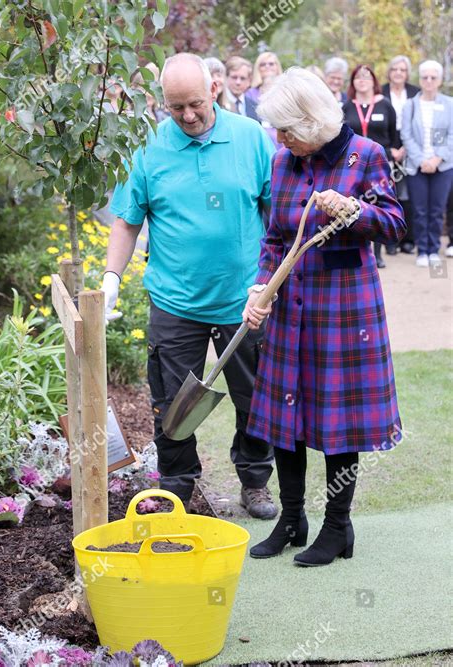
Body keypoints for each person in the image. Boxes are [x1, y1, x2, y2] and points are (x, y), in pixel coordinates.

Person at [102, 53, 277, 519]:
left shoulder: (251, 138)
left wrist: (268, 281)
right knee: (171, 401)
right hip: (175, 301)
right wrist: (111, 278)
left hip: (244, 300)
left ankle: (256, 482)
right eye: (176, 107)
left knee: (255, 395)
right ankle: (177, 488)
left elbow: (275, 214)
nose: (188, 116)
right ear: (164, 103)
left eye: (195, 103)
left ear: (215, 88)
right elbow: (126, 222)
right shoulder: (148, 146)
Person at [242, 67, 406, 566]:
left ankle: (338, 528)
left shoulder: (367, 155)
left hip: (343, 310)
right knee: (284, 417)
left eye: (287, 129)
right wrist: (261, 286)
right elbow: (275, 239)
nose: (279, 138)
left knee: (338, 421)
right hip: (290, 307)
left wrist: (354, 211)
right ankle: (292, 521)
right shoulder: (284, 162)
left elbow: (395, 225)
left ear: (311, 124)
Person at [343, 64, 397, 268]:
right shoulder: (347, 106)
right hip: (354, 164)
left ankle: (379, 253)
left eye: (366, 76)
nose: (362, 80)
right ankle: (361, 249)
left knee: (379, 204)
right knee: (357, 205)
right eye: (358, 77)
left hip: (379, 163)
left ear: (374, 80)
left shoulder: (385, 105)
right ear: (353, 82)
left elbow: (393, 135)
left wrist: (393, 152)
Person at [401, 60, 453, 267]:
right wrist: (422, 160)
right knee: (420, 209)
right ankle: (422, 250)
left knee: (437, 209)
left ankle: (433, 250)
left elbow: (451, 135)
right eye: (425, 77)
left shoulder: (449, 104)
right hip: (417, 165)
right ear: (420, 80)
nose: (429, 81)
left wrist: (436, 158)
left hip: (443, 165)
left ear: (440, 80)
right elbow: (405, 135)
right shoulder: (410, 105)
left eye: (433, 77)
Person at [382, 55, 420, 255]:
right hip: (387, 144)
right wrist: (391, 150)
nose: (398, 73)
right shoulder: (380, 92)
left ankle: (408, 239)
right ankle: (390, 240)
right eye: (395, 69)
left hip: (411, 144)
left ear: (407, 73)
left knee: (408, 194)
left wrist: (406, 147)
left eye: (402, 70)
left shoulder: (415, 92)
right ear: (389, 72)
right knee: (388, 192)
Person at [225, 56, 260, 121]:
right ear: (226, 78)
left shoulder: (254, 106)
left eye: (242, 78)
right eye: (234, 77)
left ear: (249, 81)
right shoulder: (218, 103)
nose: (238, 82)